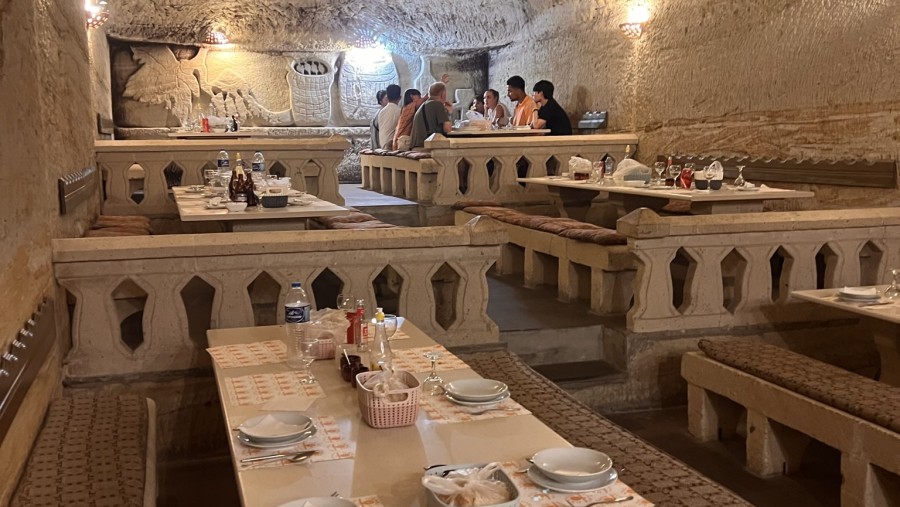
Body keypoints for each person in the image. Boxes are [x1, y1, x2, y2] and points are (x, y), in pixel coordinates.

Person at [410, 82, 452, 149]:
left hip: (417, 144)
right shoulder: (437, 104)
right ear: (442, 94)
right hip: (425, 146)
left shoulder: (425, 104)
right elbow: (447, 128)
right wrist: (450, 112)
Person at [376, 85, 402, 149]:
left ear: (387, 97)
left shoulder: (381, 112)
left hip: (382, 147)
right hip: (391, 148)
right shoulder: (400, 111)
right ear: (400, 97)